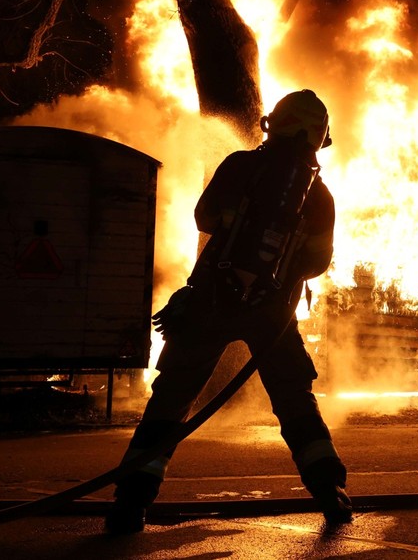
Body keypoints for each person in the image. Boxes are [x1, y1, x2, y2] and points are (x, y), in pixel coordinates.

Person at [105, 89, 351, 534]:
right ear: (319, 137)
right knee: (294, 398)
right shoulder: (320, 196)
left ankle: (131, 502)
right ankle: (329, 490)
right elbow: (317, 262)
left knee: (172, 398)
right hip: (273, 312)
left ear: (272, 124)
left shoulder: (239, 165)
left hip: (211, 300)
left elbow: (204, 218)